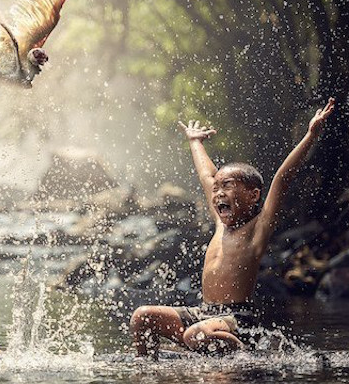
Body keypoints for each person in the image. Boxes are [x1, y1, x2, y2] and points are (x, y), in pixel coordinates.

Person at [130, 98, 336, 358]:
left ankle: (246, 360)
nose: (217, 193)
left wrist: (310, 135)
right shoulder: (220, 223)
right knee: (143, 317)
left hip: (237, 318)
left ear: (252, 195)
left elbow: (282, 178)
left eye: (226, 186)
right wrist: (195, 142)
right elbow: (207, 176)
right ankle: (147, 370)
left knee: (195, 334)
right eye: (216, 190)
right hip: (205, 314)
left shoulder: (257, 228)